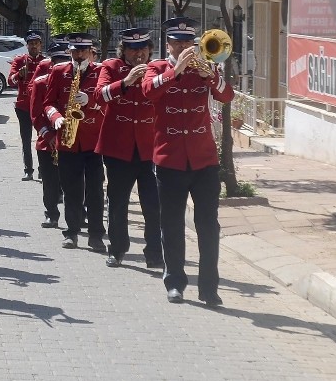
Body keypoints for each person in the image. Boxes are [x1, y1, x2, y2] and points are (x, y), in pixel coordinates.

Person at [142, 16, 234, 307]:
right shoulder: (157, 68)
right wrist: (177, 69)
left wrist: (212, 75)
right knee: (171, 225)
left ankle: (209, 288)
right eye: (177, 42)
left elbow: (226, 95)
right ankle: (175, 283)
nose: (183, 47)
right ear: (167, 44)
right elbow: (149, 92)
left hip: (203, 159)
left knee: (208, 226)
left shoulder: (206, 69)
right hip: (170, 159)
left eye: (188, 43)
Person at [95, 28, 163, 268]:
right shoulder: (111, 67)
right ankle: (117, 249)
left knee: (153, 204)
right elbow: (99, 96)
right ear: (123, 50)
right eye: (133, 49)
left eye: (143, 48)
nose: (139, 53)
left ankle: (154, 253)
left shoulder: (157, 69)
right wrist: (125, 81)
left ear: (150, 50)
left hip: (149, 148)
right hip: (118, 148)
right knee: (117, 201)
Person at [43, 32, 107, 251]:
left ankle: (96, 234)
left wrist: (91, 100)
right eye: (75, 51)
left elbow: (109, 103)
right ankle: (71, 232)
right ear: (69, 52)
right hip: (68, 141)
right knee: (71, 190)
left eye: (83, 51)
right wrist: (57, 118)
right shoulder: (59, 72)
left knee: (96, 190)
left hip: (93, 141)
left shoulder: (100, 72)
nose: (79, 55)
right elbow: (48, 103)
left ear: (90, 52)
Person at [30, 41, 71, 230]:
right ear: (51, 62)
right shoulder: (40, 83)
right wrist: (49, 136)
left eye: (65, 60)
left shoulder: (76, 80)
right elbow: (36, 115)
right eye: (57, 61)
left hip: (72, 139)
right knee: (49, 180)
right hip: (48, 141)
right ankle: (51, 214)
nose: (61, 64)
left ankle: (77, 215)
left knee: (74, 181)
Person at [9, 30, 45, 181]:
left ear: (40, 45)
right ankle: (28, 170)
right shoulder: (20, 60)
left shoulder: (45, 62)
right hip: (23, 106)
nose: (34, 46)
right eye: (31, 44)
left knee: (42, 137)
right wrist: (19, 75)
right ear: (27, 45)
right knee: (26, 139)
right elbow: (10, 81)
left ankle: (43, 169)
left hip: (40, 107)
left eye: (36, 44)